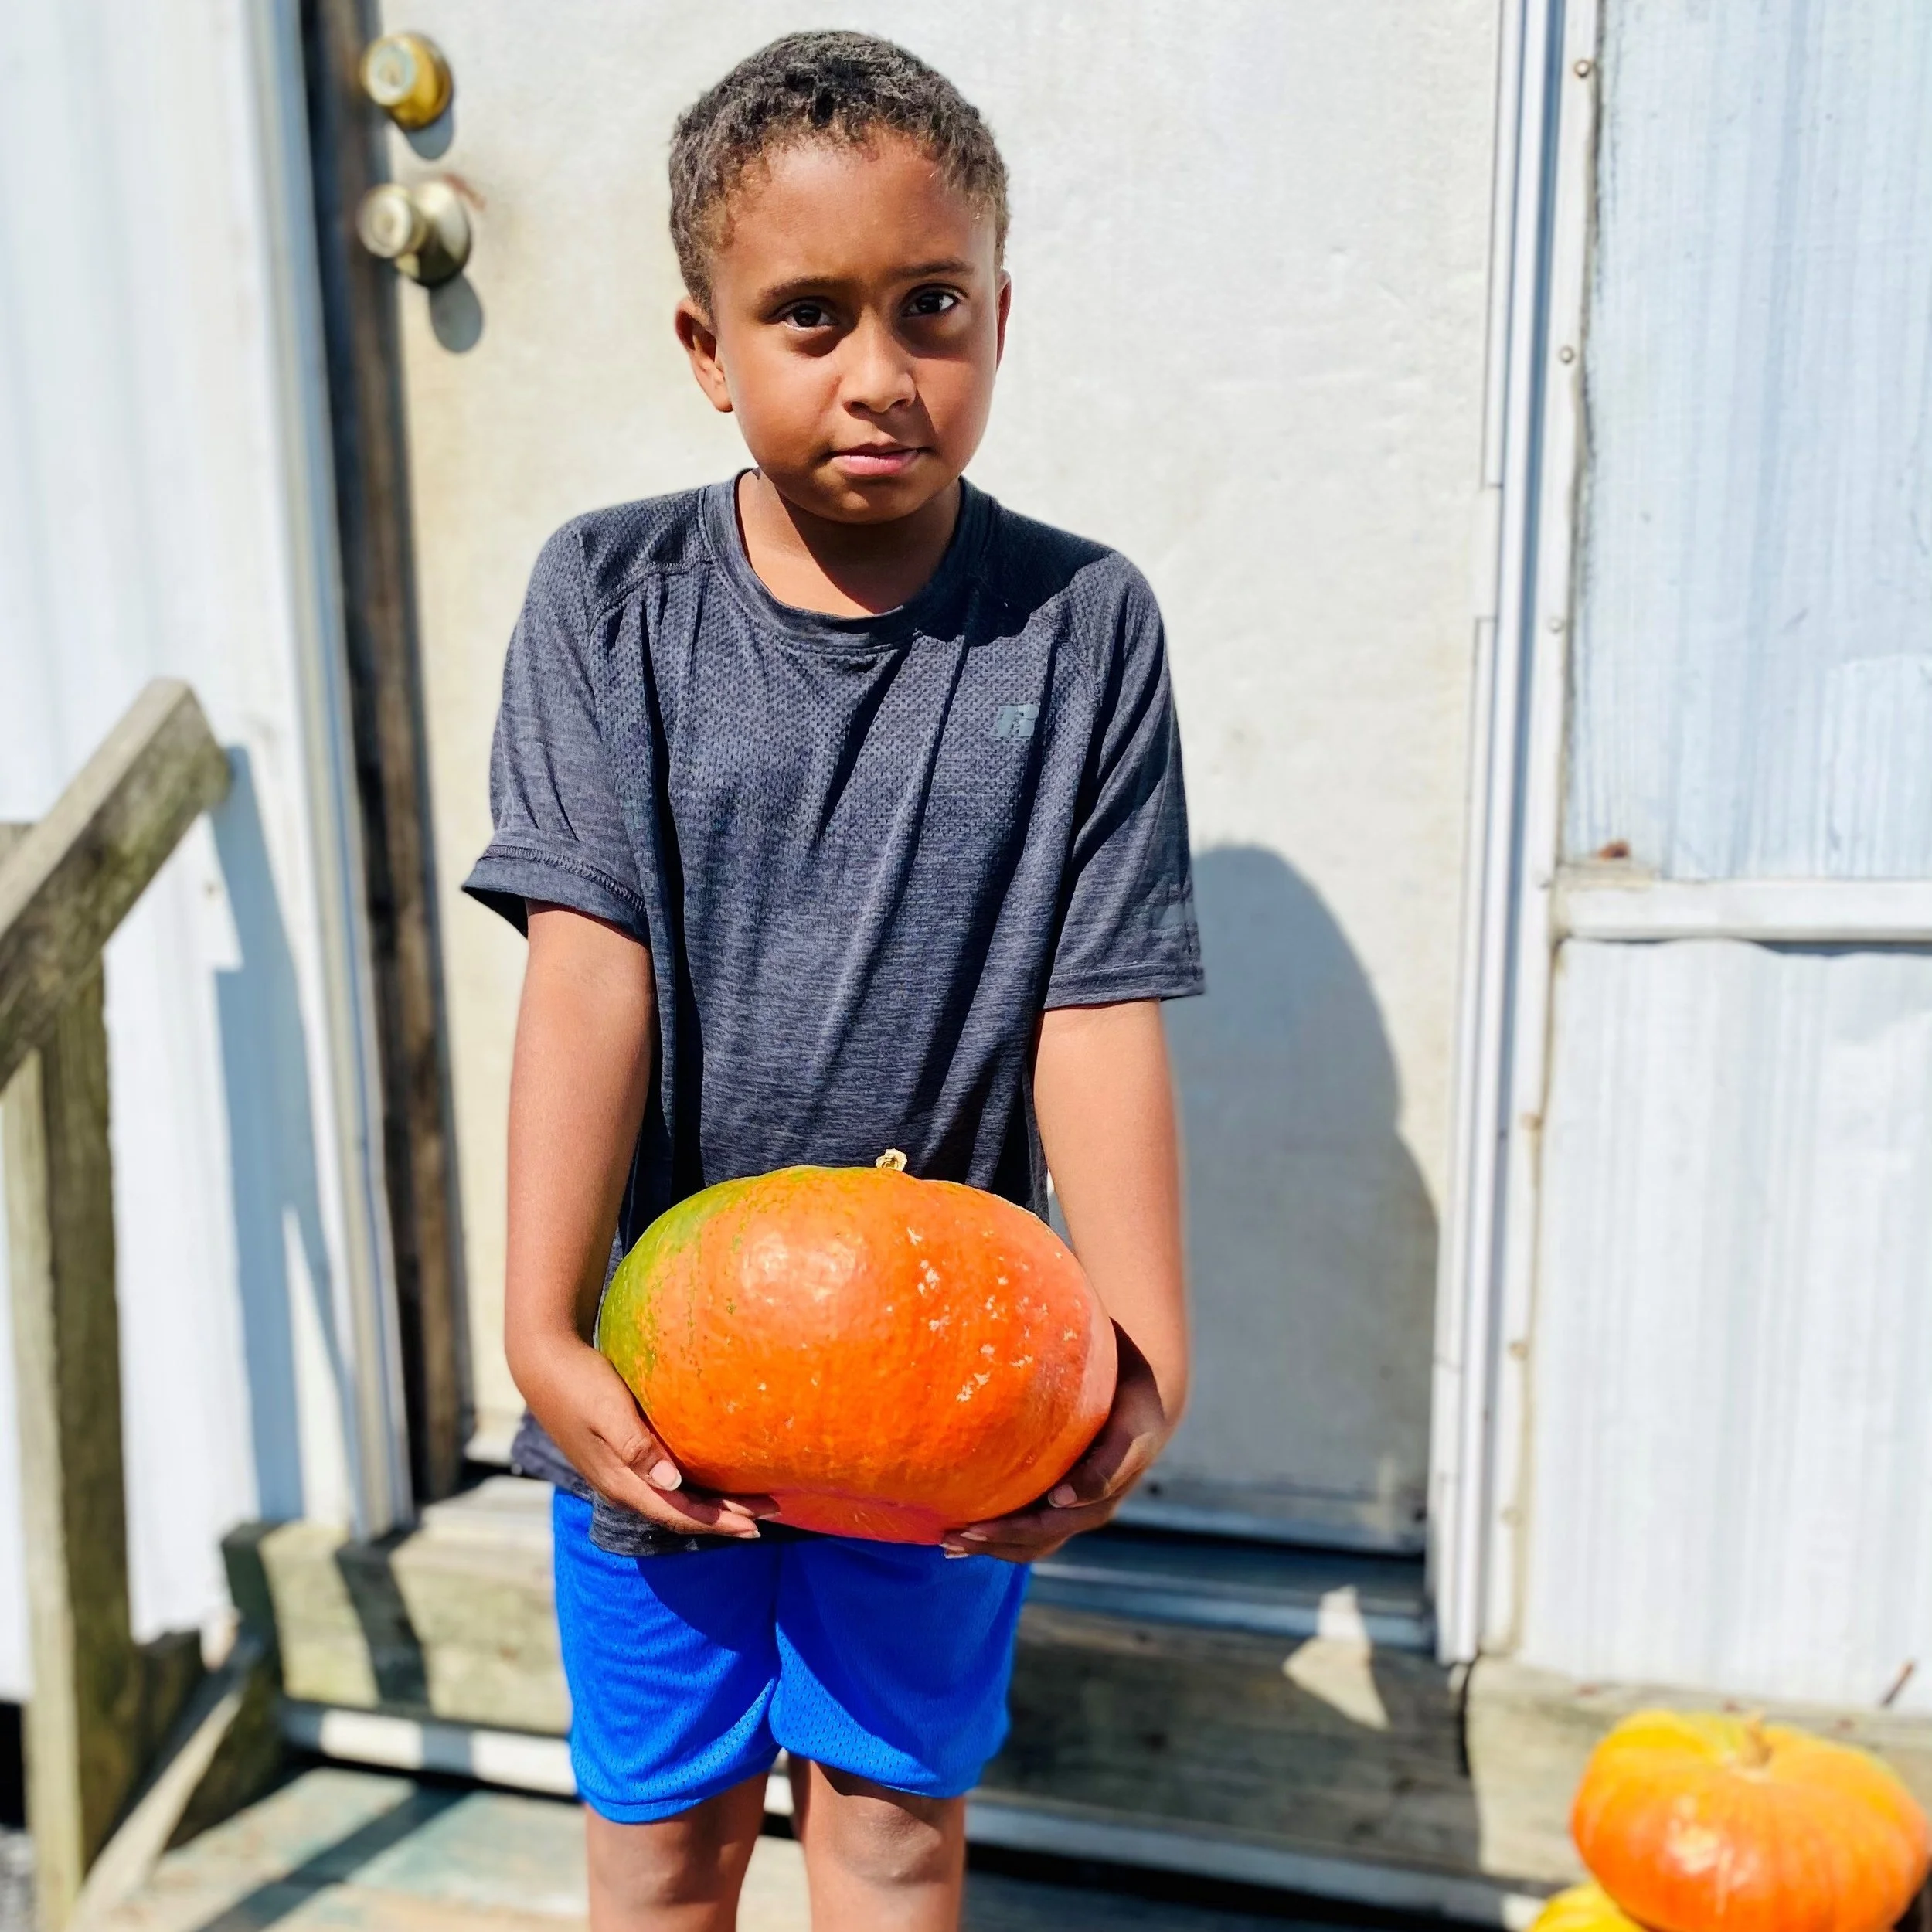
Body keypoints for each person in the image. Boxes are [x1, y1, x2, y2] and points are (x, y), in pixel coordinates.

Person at [464, 30, 1202, 1932]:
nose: (878, 371)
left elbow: (1093, 1002)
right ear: (706, 346)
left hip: (948, 1392)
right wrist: (539, 1323)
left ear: (999, 316)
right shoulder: (606, 600)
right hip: (656, 1383)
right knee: (661, 1842)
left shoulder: (1082, 626)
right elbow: (587, 967)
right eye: (808, 315)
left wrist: (1146, 1337)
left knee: (885, 1826)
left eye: (929, 305)